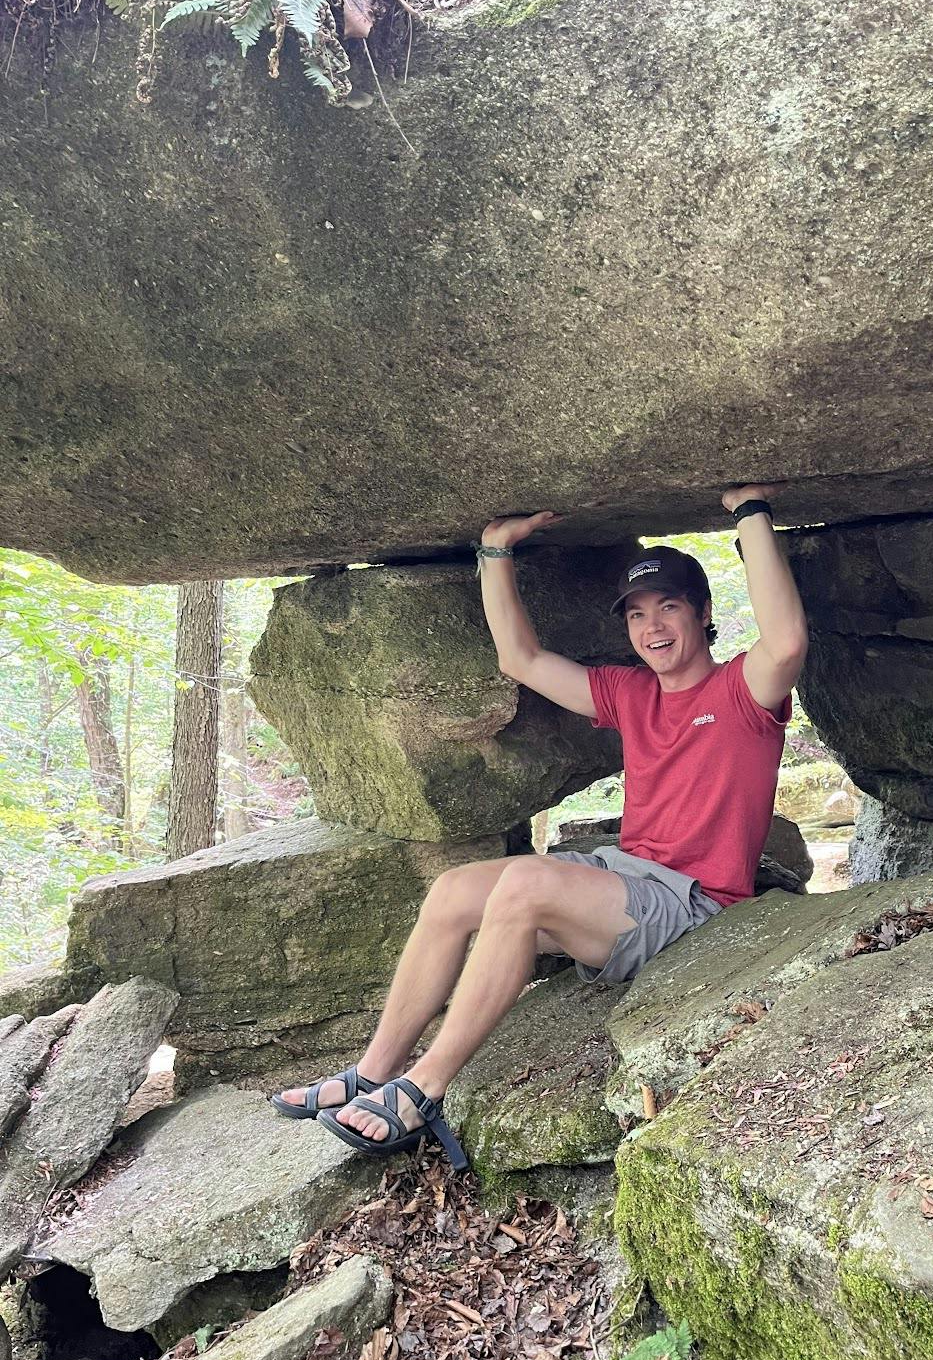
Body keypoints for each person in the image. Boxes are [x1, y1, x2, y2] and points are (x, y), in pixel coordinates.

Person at [270, 485, 808, 1163]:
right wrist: (495, 551)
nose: (653, 626)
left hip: (693, 904)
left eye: (669, 606)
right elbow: (519, 661)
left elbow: (786, 639)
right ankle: (372, 1071)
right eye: (638, 613)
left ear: (703, 616)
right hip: (623, 880)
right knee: (453, 893)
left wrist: (751, 513)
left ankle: (425, 1086)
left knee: (524, 885)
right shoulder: (631, 692)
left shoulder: (742, 690)